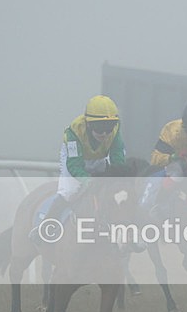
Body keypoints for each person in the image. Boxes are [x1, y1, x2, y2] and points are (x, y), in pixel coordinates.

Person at [31, 95, 127, 242]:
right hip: (75, 159)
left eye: (109, 127)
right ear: (88, 124)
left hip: (100, 157)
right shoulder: (74, 132)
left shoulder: (114, 131)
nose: (105, 133)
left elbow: (117, 156)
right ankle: (46, 228)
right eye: (99, 128)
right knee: (68, 192)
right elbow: (74, 165)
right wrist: (86, 180)